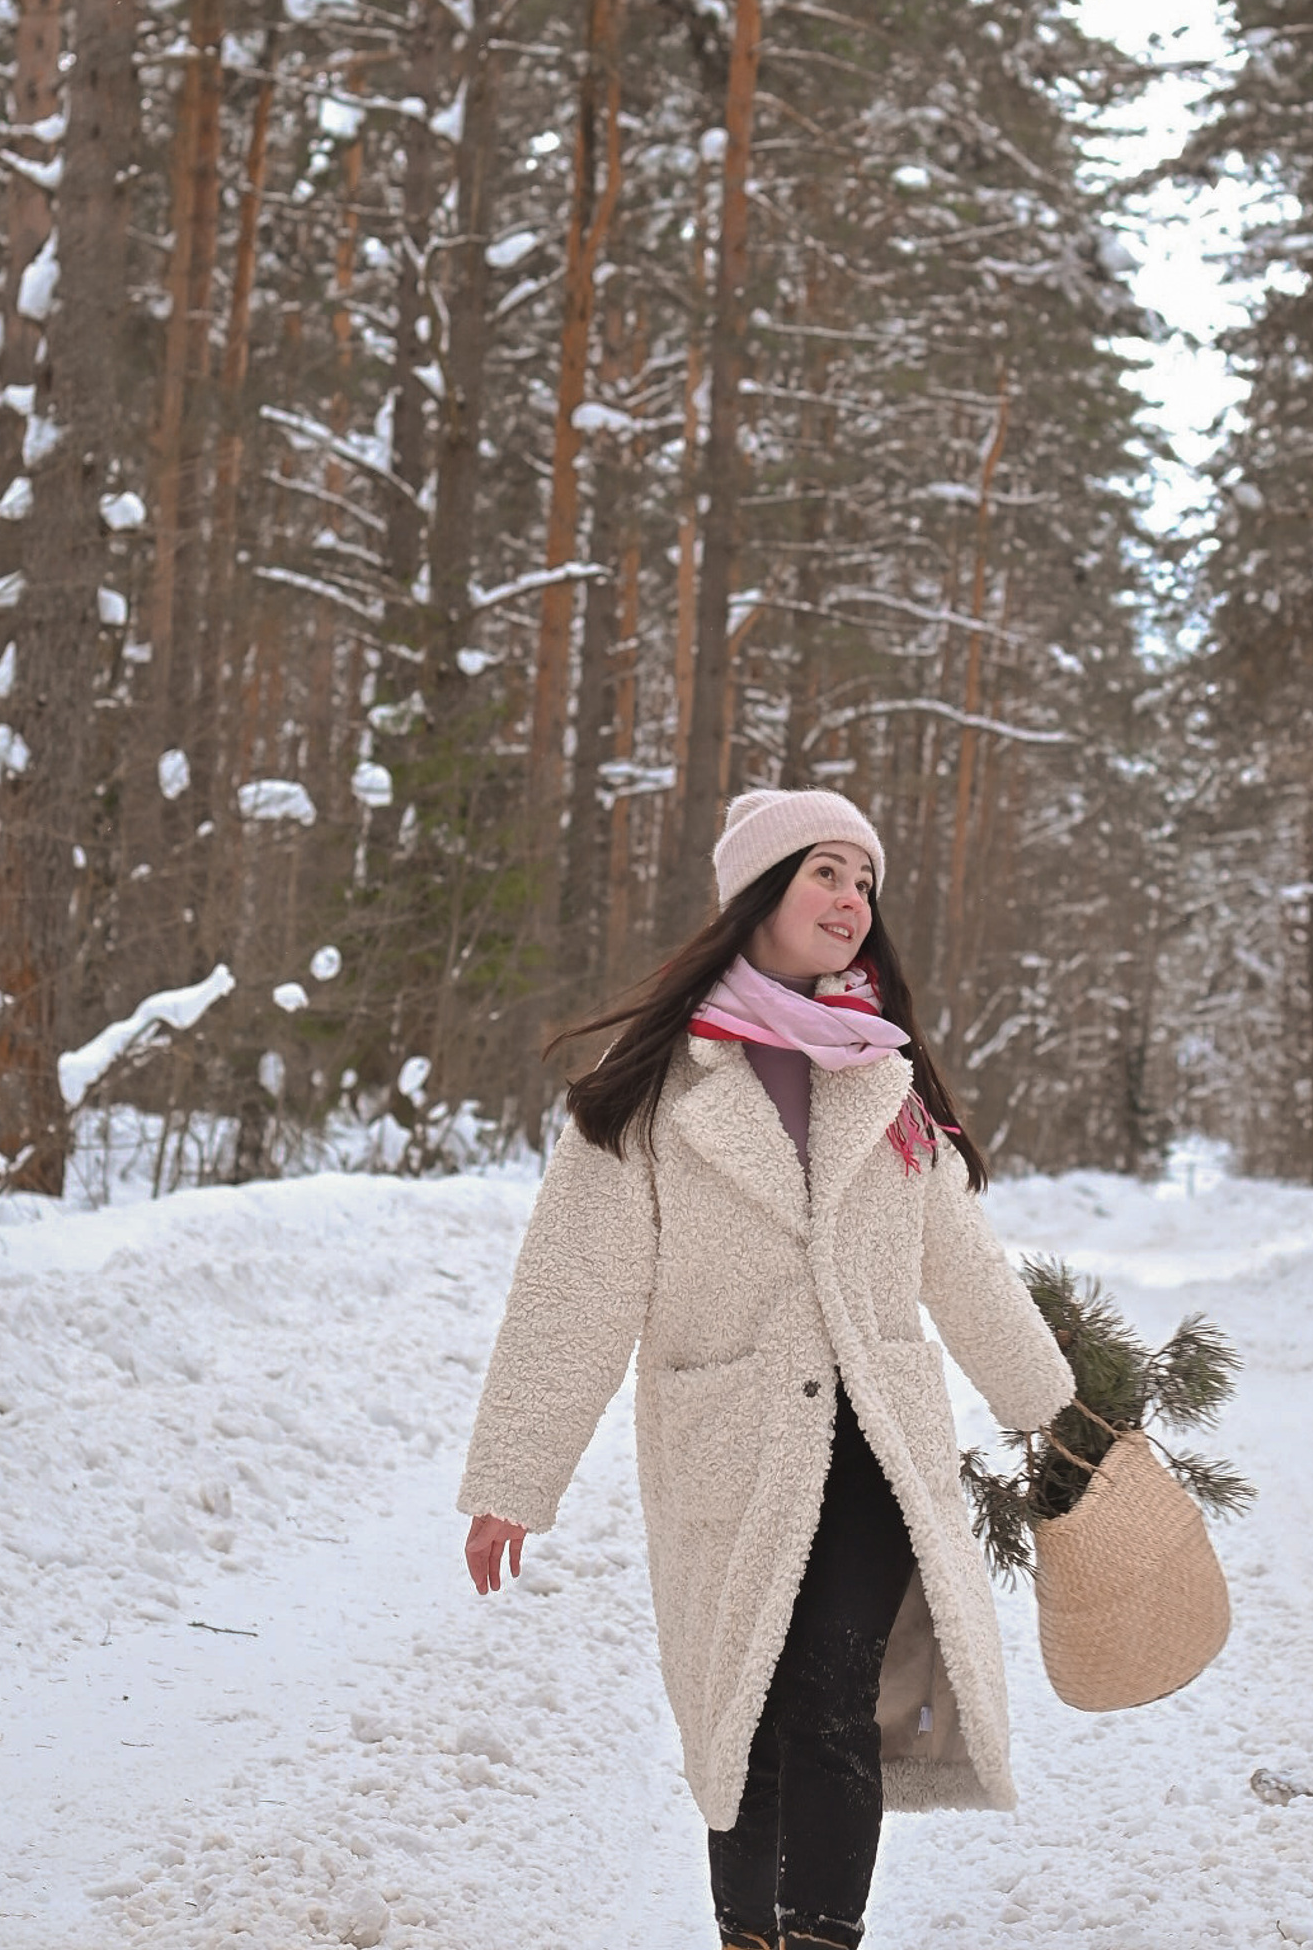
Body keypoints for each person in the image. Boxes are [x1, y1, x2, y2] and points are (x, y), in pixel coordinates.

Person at [459, 787, 1073, 1950]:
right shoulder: (655, 1091)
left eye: (864, 881)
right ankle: (749, 1934)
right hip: (726, 1447)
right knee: (746, 1704)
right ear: (760, 893)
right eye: (824, 873)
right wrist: (515, 1472)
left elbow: (966, 1268)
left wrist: (1059, 1418)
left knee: (831, 1690)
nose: (851, 901)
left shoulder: (883, 1080)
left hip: (873, 1445)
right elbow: (573, 1294)